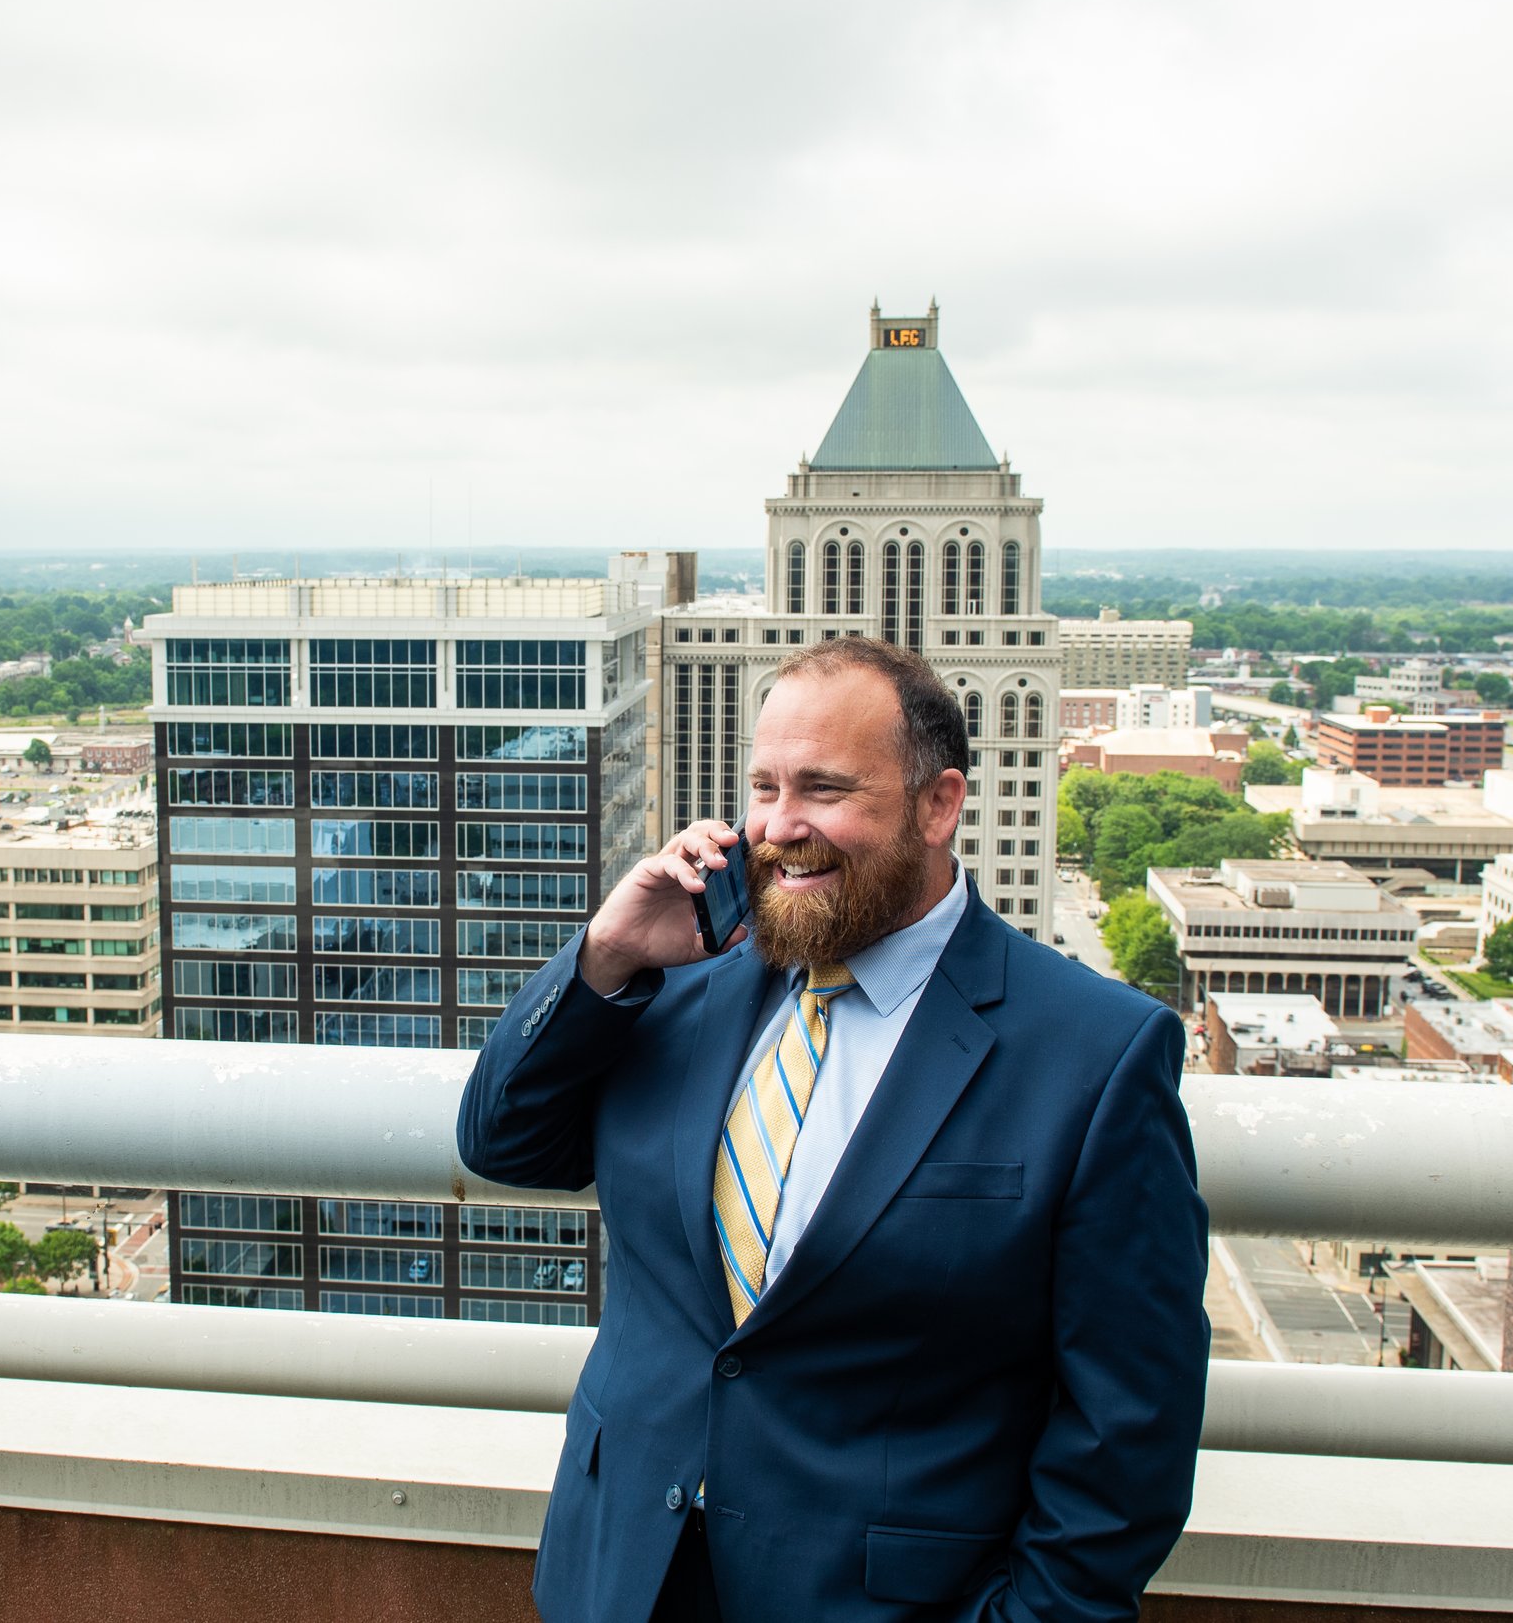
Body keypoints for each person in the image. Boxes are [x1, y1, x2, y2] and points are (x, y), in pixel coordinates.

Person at [457, 636, 1208, 1623]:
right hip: (617, 1580)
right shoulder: (677, 989)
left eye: (823, 789)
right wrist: (605, 955)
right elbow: (506, 1143)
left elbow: (1128, 1428)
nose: (776, 826)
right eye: (761, 787)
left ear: (939, 804)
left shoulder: (1094, 1054)